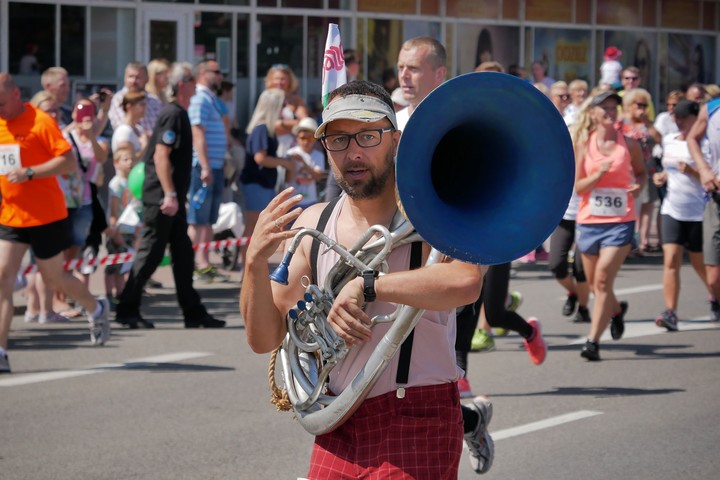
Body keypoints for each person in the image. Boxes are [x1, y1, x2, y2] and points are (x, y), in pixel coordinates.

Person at [241, 80, 485, 479]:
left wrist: (368, 285)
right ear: (325, 149)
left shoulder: (434, 214)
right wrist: (253, 263)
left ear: (395, 140)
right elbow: (263, 339)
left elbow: (465, 282)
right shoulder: (313, 223)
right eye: (338, 140)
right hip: (339, 416)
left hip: (417, 413)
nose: (353, 152)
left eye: (368, 136)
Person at [396, 36, 494, 475]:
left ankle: (464, 424)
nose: (403, 76)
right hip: (398, 256)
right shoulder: (391, 122)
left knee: (431, 371)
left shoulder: (460, 121)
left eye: (413, 68)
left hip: (447, 260)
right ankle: (471, 419)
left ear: (439, 74)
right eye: (400, 67)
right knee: (398, 371)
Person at [0, 73, 111, 373]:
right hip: (11, 214)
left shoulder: (40, 122)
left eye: (0, 102)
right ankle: (1, 352)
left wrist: (30, 172)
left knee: (54, 280)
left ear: (14, 95)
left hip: (46, 215)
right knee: (2, 279)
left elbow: (69, 162)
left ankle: (96, 308)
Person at [114, 62, 225, 330]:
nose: (195, 85)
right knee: (150, 254)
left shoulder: (180, 113)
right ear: (182, 84)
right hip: (163, 198)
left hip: (172, 198)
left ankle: (193, 312)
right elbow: (161, 155)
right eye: (191, 79)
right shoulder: (172, 114)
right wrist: (170, 194)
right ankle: (127, 309)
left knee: (183, 254)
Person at [573, 91, 646, 361]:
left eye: (613, 107)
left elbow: (641, 173)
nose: (610, 112)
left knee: (603, 279)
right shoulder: (584, 144)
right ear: (593, 113)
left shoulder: (629, 143)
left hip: (620, 221)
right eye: (604, 108)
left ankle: (592, 341)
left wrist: (639, 185)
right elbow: (578, 187)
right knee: (595, 286)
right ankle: (615, 311)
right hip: (589, 221)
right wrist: (598, 174)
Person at [652, 100, 711, 331]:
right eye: (676, 120)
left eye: (684, 120)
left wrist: (694, 171)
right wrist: (662, 176)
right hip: (672, 209)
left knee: (701, 266)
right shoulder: (669, 141)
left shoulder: (704, 145)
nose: (679, 124)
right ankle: (671, 312)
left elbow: (710, 177)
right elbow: (668, 167)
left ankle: (715, 297)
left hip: (698, 212)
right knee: (671, 260)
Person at [239, 88, 295, 262]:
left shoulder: (265, 129)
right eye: (282, 104)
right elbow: (260, 158)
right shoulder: (261, 129)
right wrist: (283, 162)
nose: (284, 108)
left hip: (262, 183)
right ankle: (246, 265)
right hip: (256, 183)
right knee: (253, 226)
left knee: (258, 225)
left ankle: (251, 263)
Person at [187, 60, 230, 283]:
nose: (220, 76)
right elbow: (198, 134)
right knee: (198, 217)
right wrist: (204, 165)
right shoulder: (198, 98)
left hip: (214, 165)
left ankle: (203, 262)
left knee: (208, 219)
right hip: (203, 167)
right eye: (217, 72)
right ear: (203, 73)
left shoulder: (210, 99)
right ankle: (194, 263)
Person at [686, 92, 720, 322]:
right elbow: (692, 139)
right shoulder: (712, 109)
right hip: (716, 200)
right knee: (713, 278)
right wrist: (704, 169)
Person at [620, 88, 661, 253]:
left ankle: (642, 240)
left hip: (647, 168)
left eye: (645, 105)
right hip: (628, 169)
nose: (642, 108)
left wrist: (648, 122)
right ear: (629, 105)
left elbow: (659, 139)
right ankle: (630, 240)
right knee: (631, 205)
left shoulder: (648, 123)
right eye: (639, 104)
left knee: (647, 205)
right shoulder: (622, 122)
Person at [104, 146, 140, 307]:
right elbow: (114, 210)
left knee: (124, 266)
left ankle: (121, 293)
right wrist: (114, 230)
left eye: (132, 159)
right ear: (116, 163)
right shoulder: (116, 184)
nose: (130, 162)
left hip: (130, 228)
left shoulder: (133, 181)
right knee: (113, 265)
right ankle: (108, 295)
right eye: (126, 159)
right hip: (118, 229)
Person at [263, 64, 309, 157]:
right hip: (273, 146)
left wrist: (281, 124)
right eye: (276, 79)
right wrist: (294, 125)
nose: (280, 82)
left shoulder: (296, 100)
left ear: (289, 81)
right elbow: (269, 127)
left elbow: (305, 122)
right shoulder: (266, 98)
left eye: (283, 79)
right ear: (271, 80)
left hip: (294, 147)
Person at [108, 62, 162, 133]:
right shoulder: (118, 99)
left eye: (138, 77)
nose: (133, 81)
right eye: (130, 76)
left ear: (147, 79)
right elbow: (122, 128)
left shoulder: (155, 102)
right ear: (125, 78)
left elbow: (161, 128)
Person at [284, 117, 325, 208]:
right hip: (291, 201)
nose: (306, 142)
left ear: (314, 139)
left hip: (310, 201)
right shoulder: (290, 153)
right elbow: (288, 179)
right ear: (297, 138)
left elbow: (318, 177)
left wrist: (303, 162)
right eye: (303, 138)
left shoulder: (319, 155)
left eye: (310, 138)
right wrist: (293, 162)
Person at [110, 91, 149, 160]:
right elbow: (127, 162)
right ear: (129, 107)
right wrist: (144, 146)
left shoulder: (139, 129)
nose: (145, 108)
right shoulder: (124, 131)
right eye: (141, 104)